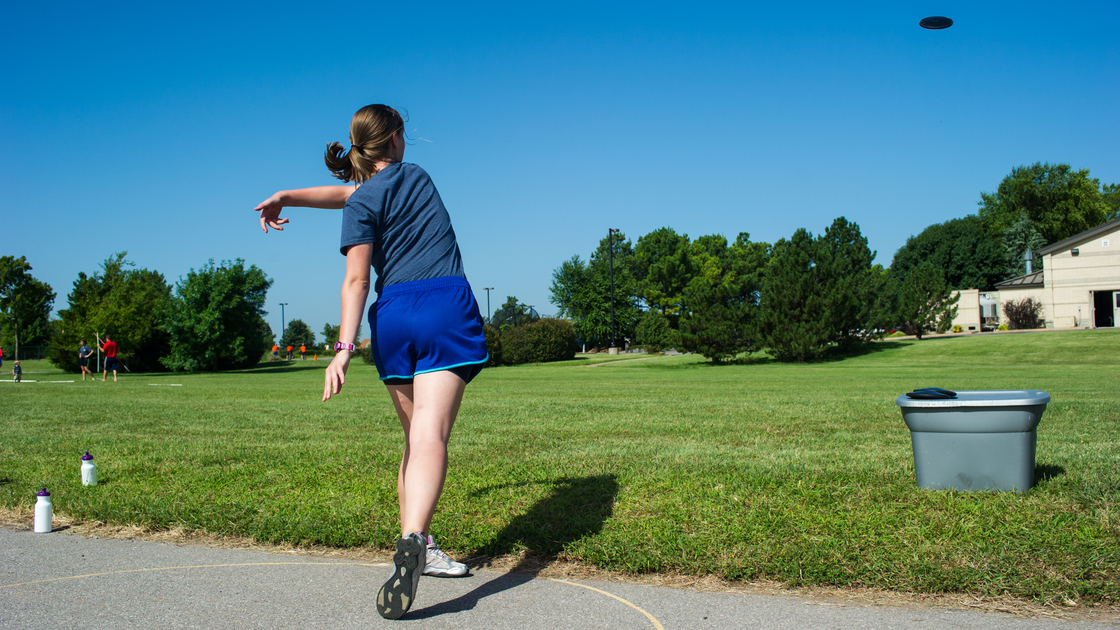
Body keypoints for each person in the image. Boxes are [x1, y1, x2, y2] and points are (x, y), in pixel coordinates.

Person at [255, 104, 487, 620]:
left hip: (393, 315)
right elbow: (349, 191)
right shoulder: (416, 175)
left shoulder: (359, 201)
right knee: (431, 435)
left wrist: (341, 349)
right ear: (398, 138)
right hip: (442, 305)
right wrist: (290, 195)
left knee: (413, 439)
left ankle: (419, 545)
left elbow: (356, 278)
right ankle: (413, 540)